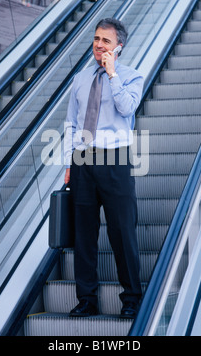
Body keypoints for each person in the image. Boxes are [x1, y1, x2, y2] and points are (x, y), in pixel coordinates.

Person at [64, 18, 143, 318]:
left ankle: (132, 299)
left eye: (106, 41)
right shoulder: (80, 79)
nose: (98, 45)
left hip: (115, 161)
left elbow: (127, 109)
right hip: (84, 162)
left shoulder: (132, 77)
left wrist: (112, 75)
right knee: (84, 235)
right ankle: (87, 299)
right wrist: (71, 161)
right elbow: (72, 122)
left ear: (118, 47)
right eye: (97, 39)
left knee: (123, 232)